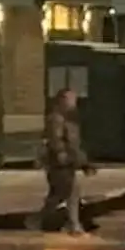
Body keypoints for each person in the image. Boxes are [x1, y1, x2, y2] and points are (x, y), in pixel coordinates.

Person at [39, 88, 92, 235]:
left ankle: (71, 223)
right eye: (71, 99)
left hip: (68, 162)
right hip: (60, 164)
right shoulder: (56, 119)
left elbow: (74, 144)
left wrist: (83, 162)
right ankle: (70, 224)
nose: (74, 103)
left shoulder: (69, 120)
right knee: (65, 193)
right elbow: (57, 139)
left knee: (66, 193)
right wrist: (61, 153)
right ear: (61, 100)